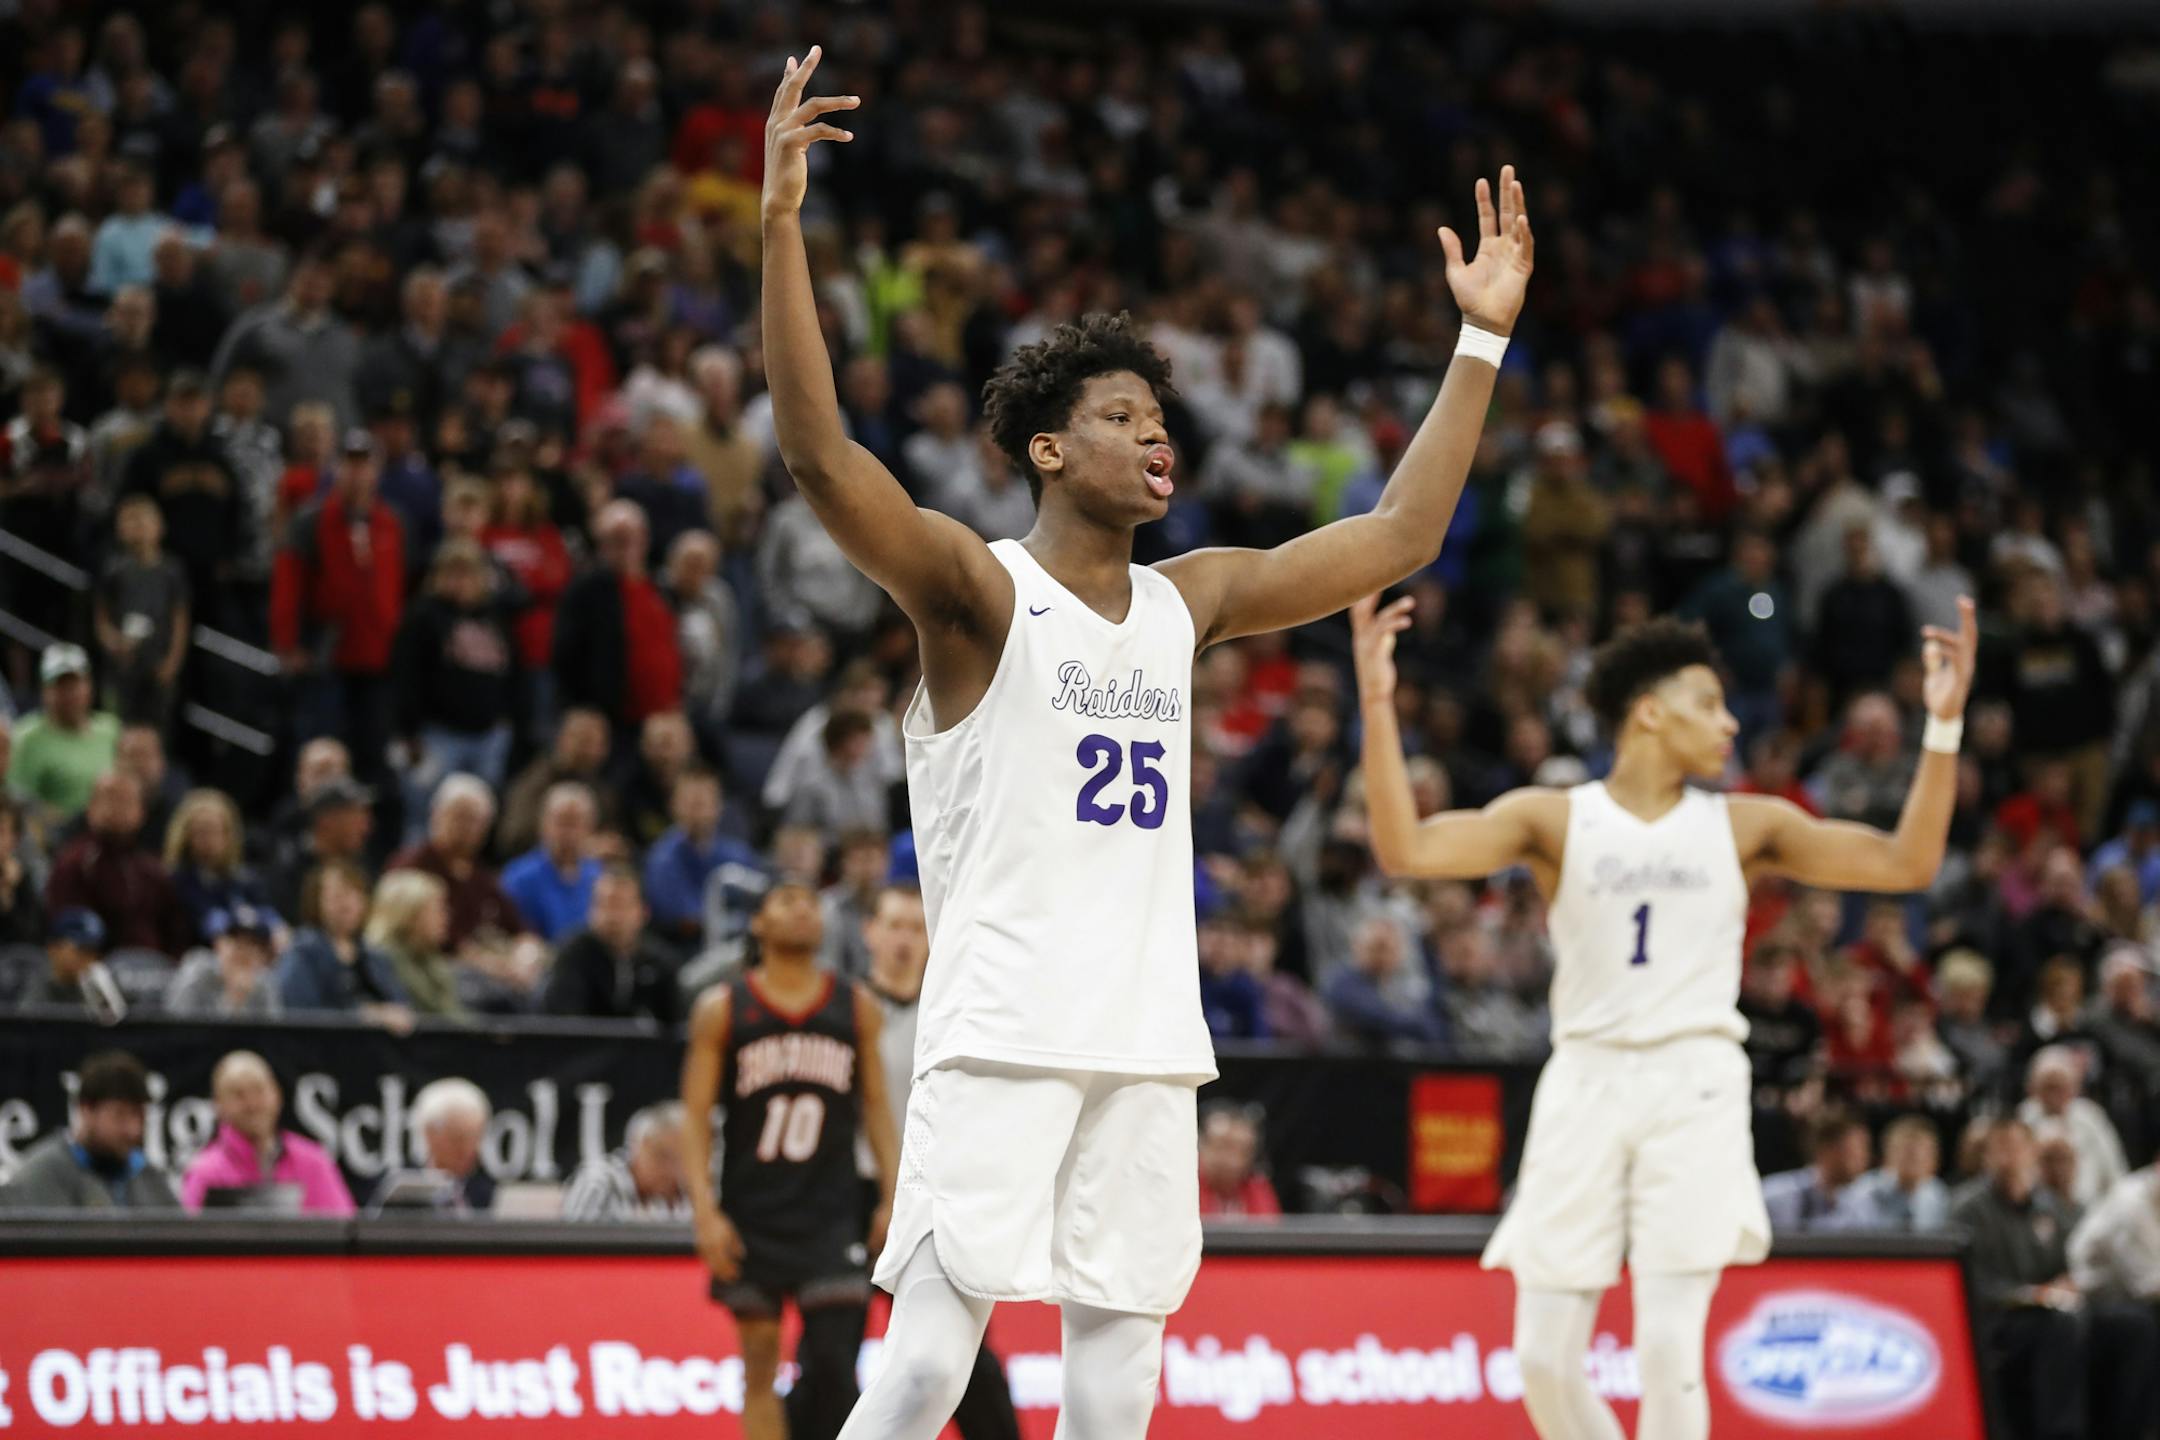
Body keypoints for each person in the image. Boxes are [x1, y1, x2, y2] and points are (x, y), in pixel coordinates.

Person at [761, 49, 1533, 1437]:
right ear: (1050, 453)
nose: (1154, 434)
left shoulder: (1193, 600)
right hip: (999, 1027)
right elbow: (823, 459)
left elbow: (1399, 537)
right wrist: (778, 227)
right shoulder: (979, 592)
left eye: (1160, 417)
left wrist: (1478, 341)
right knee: (930, 1370)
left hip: (1145, 1035)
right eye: (1121, 417)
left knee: (1119, 1393)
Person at [1348, 587, 1977, 1440]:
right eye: (1708, 705)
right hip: (1586, 1077)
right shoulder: (1556, 817)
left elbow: (1906, 862)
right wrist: (1379, 703)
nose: (1729, 726)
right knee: (1541, 1358)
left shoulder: (1749, 824)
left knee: (1669, 1349)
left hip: (1697, 1080)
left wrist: (1941, 728)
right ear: (1647, 713)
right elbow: (1407, 849)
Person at [682, 883, 901, 1440]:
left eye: (810, 901)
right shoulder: (723, 1008)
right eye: (785, 901)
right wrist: (705, 1213)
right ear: (757, 923)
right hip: (752, 1210)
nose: (802, 909)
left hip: (831, 1210)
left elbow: (876, 1108)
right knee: (759, 1364)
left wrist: (893, 1197)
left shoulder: (854, 1005)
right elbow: (695, 1118)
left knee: (832, 1362)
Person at [858, 881, 1023, 1440]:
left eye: (916, 927)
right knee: (830, 1355)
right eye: (894, 925)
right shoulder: (849, 1012)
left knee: (958, 1357)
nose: (905, 939)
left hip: (933, 1189)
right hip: (854, 1196)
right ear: (870, 933)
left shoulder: (953, 1012)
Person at [1954, 1118, 2157, 1440]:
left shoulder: (2049, 1205)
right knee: (2060, 1326)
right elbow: (1970, 1280)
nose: (2011, 1155)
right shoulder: (1967, 1208)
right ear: (1986, 1156)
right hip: (2001, 1321)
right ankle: (2063, 1433)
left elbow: (2074, 1259)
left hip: (2058, 1308)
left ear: (2032, 1152)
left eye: (2018, 1146)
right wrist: (2029, 1293)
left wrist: (2071, 1281)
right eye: (2001, 1147)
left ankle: (2131, 1431)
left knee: (2135, 1324)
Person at [179, 1050, 355, 1215]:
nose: (252, 1104)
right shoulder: (204, 1173)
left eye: (259, 1090)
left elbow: (343, 1230)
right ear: (218, 1105)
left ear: (277, 1095)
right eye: (238, 1094)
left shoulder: (314, 1162)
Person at [0, 1049, 180, 1209]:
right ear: (86, 1109)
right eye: (120, 1115)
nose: (133, 1130)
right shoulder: (39, 1176)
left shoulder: (148, 1178)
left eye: (139, 1116)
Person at [45, 768, 186, 956]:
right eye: (109, 799)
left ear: (141, 811)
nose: (118, 808)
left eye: (127, 801)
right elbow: (68, 937)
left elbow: (176, 932)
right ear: (90, 807)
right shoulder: (75, 865)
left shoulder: (153, 870)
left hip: (158, 970)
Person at [93, 492, 189, 731]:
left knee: (158, 729)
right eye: (130, 521)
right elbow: (101, 615)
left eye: (143, 521)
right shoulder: (113, 569)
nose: (137, 528)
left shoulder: (172, 571)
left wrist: (172, 662)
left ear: (159, 526)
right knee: (117, 725)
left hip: (158, 664)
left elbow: (180, 619)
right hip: (122, 667)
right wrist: (112, 641)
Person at [275, 859, 411, 1022]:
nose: (347, 904)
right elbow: (301, 1012)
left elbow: (401, 1005)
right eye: (337, 896)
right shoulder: (302, 953)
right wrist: (364, 1016)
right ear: (316, 901)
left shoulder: (375, 956)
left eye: (355, 895)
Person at [541, 866, 678, 1022]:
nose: (610, 916)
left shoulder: (660, 962)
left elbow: (674, 1027)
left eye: (620, 905)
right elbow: (566, 1024)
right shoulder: (573, 954)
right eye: (602, 905)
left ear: (643, 912)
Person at [8, 644, 120, 820]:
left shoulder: (110, 728)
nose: (69, 694)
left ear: (88, 686)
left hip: (107, 832)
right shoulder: (26, 737)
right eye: (60, 686)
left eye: (74, 685)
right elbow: (17, 802)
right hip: (55, 836)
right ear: (45, 691)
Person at [2019, 1045, 2130, 1210]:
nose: (2055, 1095)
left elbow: (2115, 1171)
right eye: (2049, 1087)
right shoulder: (2023, 1119)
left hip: (2093, 1210)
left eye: (2061, 1087)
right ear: (2033, 1088)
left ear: (2075, 1088)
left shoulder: (2091, 1117)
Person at [163, 787, 272, 948]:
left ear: (228, 834)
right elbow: (208, 922)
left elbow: (268, 918)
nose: (208, 840)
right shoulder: (176, 881)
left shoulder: (245, 880)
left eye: (214, 831)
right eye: (200, 832)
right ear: (185, 836)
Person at [370, 1077, 493, 1214]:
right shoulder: (402, 1193)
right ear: (430, 1135)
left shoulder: (488, 1190)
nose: (471, 1148)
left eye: (477, 1137)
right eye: (459, 1138)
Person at [502, 781, 601, 943]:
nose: (567, 833)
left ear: (590, 828)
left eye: (575, 823)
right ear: (543, 824)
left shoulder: (598, 877)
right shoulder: (519, 878)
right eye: (561, 822)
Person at [364, 868, 466, 1020]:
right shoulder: (381, 959)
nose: (446, 916)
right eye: (438, 908)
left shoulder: (429, 958)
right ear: (409, 915)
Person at [561, 1101, 690, 1221]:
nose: (670, 1170)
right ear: (637, 1146)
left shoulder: (677, 1195)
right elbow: (570, 1242)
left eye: (680, 1161)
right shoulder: (598, 1182)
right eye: (662, 1156)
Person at [1760, 1108, 1880, 1232]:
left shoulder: (1862, 1203)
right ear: (1826, 1150)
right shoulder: (1775, 1196)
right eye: (1855, 1150)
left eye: (1865, 1150)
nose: (1865, 1158)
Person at [0, 907, 123, 1019]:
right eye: (81, 950)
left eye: (93, 952)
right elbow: (24, 1031)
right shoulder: (40, 982)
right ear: (53, 948)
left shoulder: (98, 982)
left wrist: (106, 995)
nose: (88, 959)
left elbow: (114, 1032)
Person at [166, 903, 283, 1018]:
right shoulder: (197, 971)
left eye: (252, 945)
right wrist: (233, 1000)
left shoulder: (264, 985)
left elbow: (274, 1033)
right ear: (218, 944)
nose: (243, 951)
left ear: (263, 956)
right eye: (237, 942)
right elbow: (176, 1025)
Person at [1849, 1113, 1951, 1231]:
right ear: (1887, 1156)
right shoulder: (1862, 1192)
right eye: (1907, 1153)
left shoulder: (1938, 1195)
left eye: (1923, 1153)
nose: (1915, 1159)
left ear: (1934, 1160)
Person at [1196, 1101, 1283, 1219]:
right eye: (1224, 1147)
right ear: (1201, 1145)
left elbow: (1270, 1231)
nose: (1234, 1162)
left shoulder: (1256, 1186)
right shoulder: (1184, 1188)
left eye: (1244, 1152)